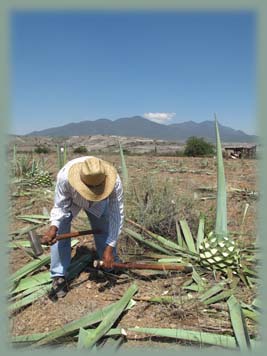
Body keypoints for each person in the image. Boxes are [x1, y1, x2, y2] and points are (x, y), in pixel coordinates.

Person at [42, 156, 124, 298]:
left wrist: (110, 246)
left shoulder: (114, 182)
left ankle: (109, 264)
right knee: (60, 230)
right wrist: (53, 227)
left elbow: (116, 215)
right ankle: (58, 275)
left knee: (104, 228)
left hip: (99, 202)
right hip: (73, 200)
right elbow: (60, 206)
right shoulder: (65, 178)